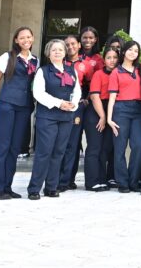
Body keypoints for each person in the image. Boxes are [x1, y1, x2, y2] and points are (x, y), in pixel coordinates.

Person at [27, 39, 79, 200]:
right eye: (54, 50)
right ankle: (34, 188)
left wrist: (73, 104)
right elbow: (38, 93)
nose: (57, 52)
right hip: (47, 117)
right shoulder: (43, 71)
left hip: (66, 117)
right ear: (48, 53)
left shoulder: (72, 71)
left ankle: (51, 187)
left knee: (58, 152)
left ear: (65, 53)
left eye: (60, 49)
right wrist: (59, 103)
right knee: (44, 152)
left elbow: (77, 91)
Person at [0, 27, 37, 200]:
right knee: (3, 147)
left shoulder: (35, 60)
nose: (26, 40)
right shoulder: (7, 57)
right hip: (7, 105)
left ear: (32, 38)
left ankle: (7, 187)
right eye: (22, 37)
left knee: (15, 148)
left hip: (24, 107)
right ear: (16, 40)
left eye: (29, 37)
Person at [107, 40, 141, 193]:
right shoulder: (116, 71)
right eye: (130, 49)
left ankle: (133, 181)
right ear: (123, 51)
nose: (133, 53)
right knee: (120, 147)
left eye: (136, 51)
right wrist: (109, 118)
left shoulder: (140, 69)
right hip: (121, 110)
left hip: (137, 110)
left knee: (138, 145)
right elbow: (112, 97)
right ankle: (122, 182)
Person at [58, 33, 89, 191]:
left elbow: (90, 84)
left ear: (79, 45)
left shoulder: (86, 64)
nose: (70, 47)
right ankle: (57, 177)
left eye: (73, 44)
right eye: (67, 45)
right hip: (60, 107)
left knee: (73, 144)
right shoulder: (58, 62)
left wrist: (85, 99)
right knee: (60, 143)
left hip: (77, 108)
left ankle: (68, 179)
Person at [85, 48, 117, 192]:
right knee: (94, 147)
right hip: (97, 111)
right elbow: (94, 96)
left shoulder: (119, 74)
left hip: (111, 111)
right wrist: (103, 116)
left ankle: (102, 179)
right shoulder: (98, 74)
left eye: (115, 57)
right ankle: (91, 182)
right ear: (104, 59)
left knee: (105, 149)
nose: (112, 60)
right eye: (109, 57)